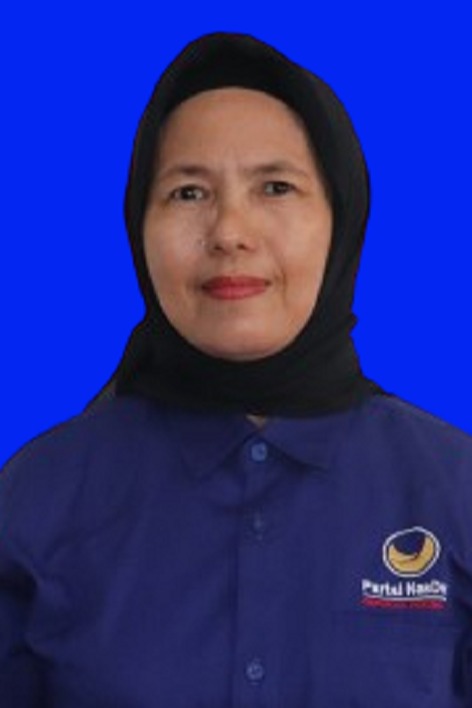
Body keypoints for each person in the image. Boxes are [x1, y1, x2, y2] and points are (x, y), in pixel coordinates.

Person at [1, 30, 471, 707]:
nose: (229, 232)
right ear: (138, 224)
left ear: (342, 219)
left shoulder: (454, 489)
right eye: (188, 193)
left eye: (276, 187)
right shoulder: (36, 498)